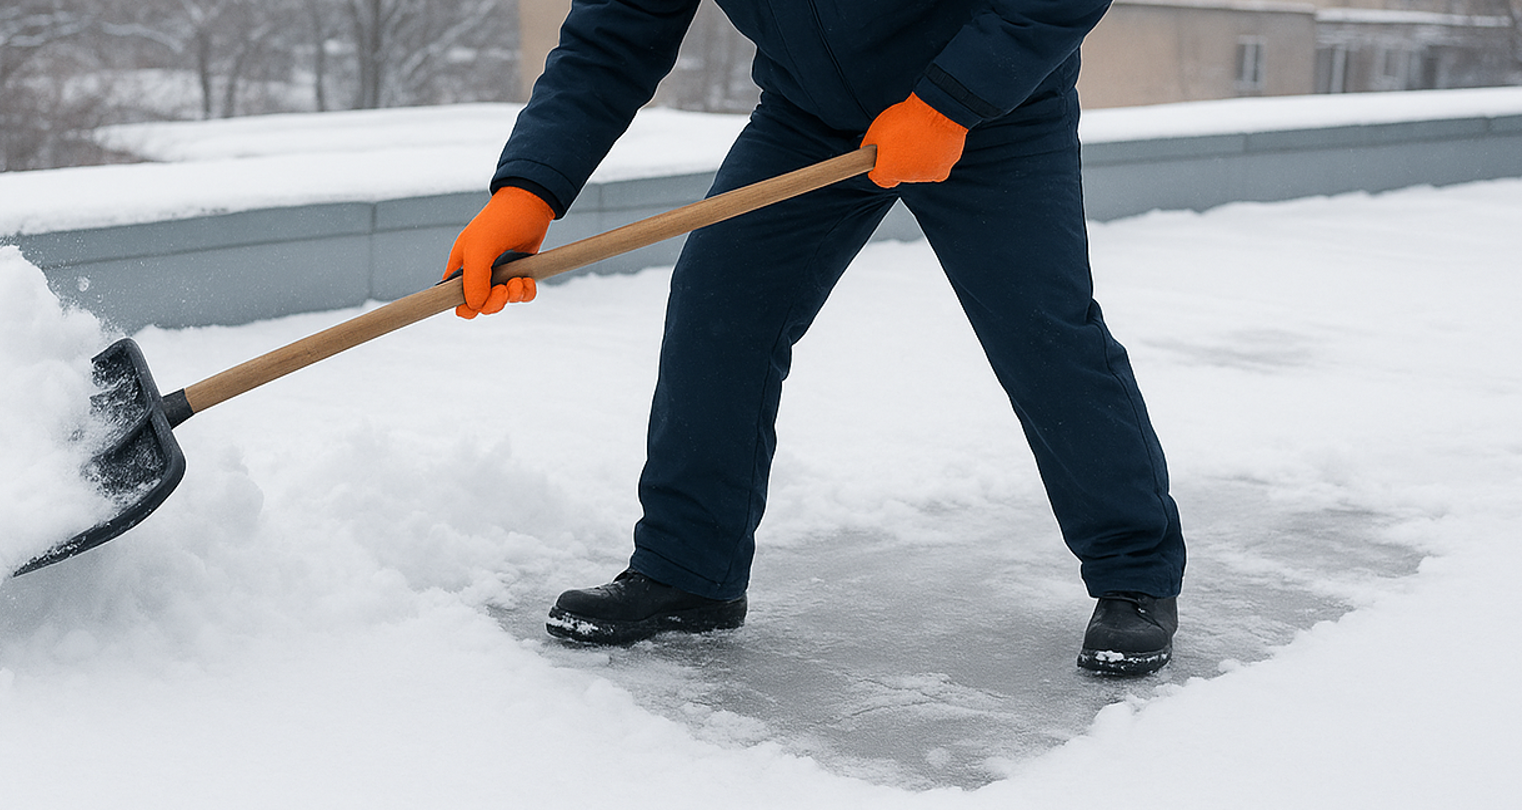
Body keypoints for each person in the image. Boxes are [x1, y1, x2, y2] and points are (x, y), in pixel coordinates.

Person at [445, 0, 1185, 675]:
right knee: (719, 308)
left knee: (1042, 329)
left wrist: (949, 102)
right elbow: (617, 30)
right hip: (812, 115)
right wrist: (528, 190)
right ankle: (689, 572)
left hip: (996, 109)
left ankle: (1136, 577)